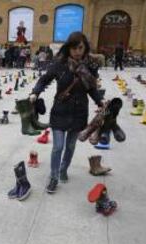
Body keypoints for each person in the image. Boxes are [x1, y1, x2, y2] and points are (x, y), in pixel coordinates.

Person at [29, 31, 104, 193]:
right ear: (68, 48)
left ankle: (63, 169)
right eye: (74, 48)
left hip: (79, 112)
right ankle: (54, 176)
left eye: (81, 48)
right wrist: (35, 92)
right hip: (60, 111)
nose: (77, 51)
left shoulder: (89, 66)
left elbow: (91, 89)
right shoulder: (59, 64)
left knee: (70, 146)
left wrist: (100, 101)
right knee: (58, 146)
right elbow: (44, 79)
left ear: (85, 49)